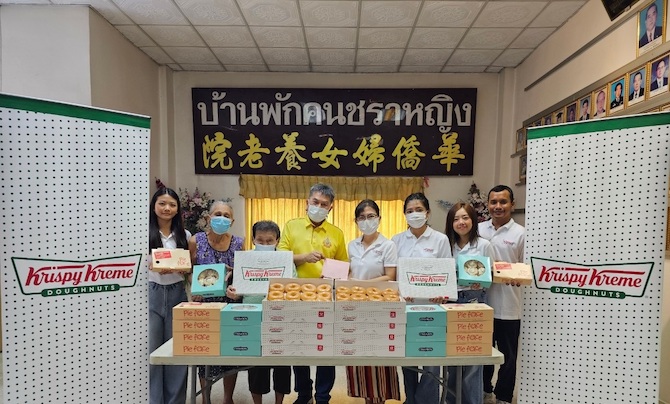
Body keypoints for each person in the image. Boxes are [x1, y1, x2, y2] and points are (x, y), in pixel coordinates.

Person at [277, 183, 348, 404]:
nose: (318, 207)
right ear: (306, 202)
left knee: (327, 348)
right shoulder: (292, 226)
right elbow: (280, 258)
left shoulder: (337, 233)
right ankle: (304, 393)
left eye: (324, 204)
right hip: (296, 296)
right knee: (299, 347)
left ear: (331, 208)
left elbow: (343, 266)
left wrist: (333, 274)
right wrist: (304, 258)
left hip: (326, 296)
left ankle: (323, 395)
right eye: (315, 202)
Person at [391, 192, 450, 404]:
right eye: (409, 211)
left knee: (431, 356)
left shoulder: (440, 240)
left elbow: (446, 273)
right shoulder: (396, 240)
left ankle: (427, 400)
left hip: (432, 308)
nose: (414, 214)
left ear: (428, 212)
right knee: (407, 357)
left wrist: (442, 293)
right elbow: (393, 275)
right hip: (405, 307)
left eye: (418, 210)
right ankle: (411, 398)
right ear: (404, 215)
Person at [345, 199, 401, 404]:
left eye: (371, 216)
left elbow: (390, 277)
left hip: (380, 306)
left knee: (379, 355)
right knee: (359, 356)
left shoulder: (388, 245)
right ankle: (366, 398)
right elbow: (348, 273)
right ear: (356, 221)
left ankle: (379, 399)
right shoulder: (352, 245)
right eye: (361, 217)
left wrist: (361, 284)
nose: (366, 220)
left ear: (379, 218)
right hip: (355, 305)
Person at [188, 201, 244, 404]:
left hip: (230, 304)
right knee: (205, 351)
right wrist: (194, 290)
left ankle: (228, 398)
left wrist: (236, 287)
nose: (222, 218)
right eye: (217, 214)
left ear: (232, 221)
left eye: (226, 216)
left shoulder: (239, 243)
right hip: (205, 305)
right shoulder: (196, 240)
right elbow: (189, 270)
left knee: (230, 352)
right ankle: (206, 398)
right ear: (208, 218)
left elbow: (242, 274)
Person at [445, 202, 495, 404]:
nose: (461, 222)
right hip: (451, 301)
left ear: (473, 220)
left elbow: (491, 275)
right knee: (451, 357)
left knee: (474, 359)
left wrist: (481, 281)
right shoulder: (447, 245)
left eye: (465, 217)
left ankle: (472, 401)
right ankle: (451, 400)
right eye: (456, 219)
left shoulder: (484, 245)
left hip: (476, 300)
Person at [480, 186, 525, 404]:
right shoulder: (478, 229)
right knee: (482, 353)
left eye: (503, 202)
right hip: (482, 303)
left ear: (512, 205)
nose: (498, 206)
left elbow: (525, 267)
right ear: (488, 204)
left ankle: (504, 396)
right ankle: (484, 390)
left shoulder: (521, 233)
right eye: (493, 202)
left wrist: (517, 274)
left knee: (508, 357)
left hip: (509, 306)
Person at [239, 220, 292, 404]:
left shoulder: (286, 260)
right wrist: (234, 292)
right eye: (260, 240)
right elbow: (238, 288)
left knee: (282, 364)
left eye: (269, 241)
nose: (265, 244)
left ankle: (279, 402)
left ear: (277, 240)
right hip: (253, 315)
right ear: (253, 239)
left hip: (280, 316)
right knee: (256, 365)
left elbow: (292, 285)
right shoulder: (245, 259)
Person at [148, 187, 190, 404]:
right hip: (151, 293)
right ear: (154, 206)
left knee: (177, 351)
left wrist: (184, 269)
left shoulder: (185, 235)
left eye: (172, 205)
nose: (167, 208)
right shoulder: (143, 233)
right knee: (153, 353)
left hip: (177, 293)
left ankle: (176, 400)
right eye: (162, 203)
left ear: (177, 209)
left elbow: (190, 267)